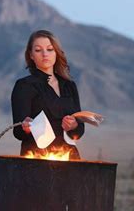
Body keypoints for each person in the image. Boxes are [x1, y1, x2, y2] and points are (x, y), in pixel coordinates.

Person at [11, 30, 84, 159]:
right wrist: (26, 128)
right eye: (38, 50)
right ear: (31, 55)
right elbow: (18, 132)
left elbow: (80, 130)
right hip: (37, 160)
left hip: (69, 159)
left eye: (50, 49)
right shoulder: (24, 86)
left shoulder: (69, 86)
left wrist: (74, 125)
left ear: (56, 53)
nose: (45, 54)